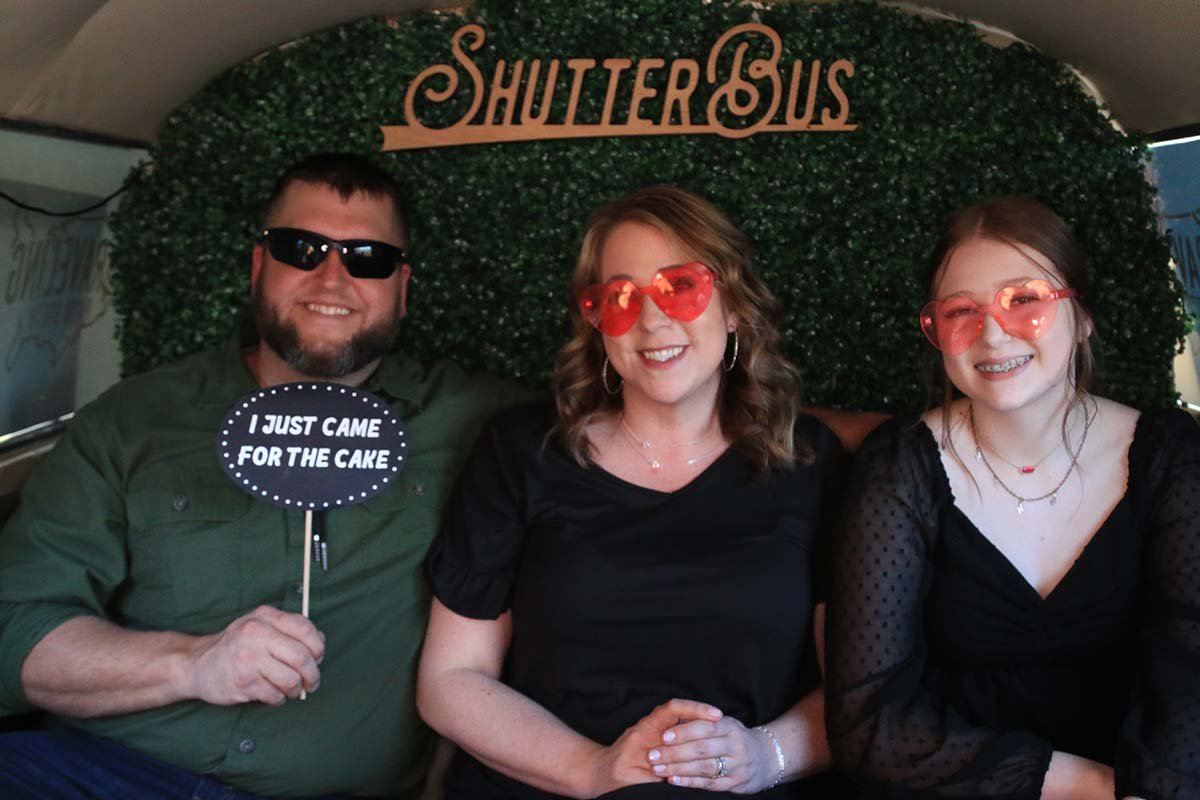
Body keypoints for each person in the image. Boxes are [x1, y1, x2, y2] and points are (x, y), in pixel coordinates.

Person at [0, 153, 524, 798]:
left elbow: (611, 430)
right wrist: (192, 664)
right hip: (111, 773)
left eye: (368, 258)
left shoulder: (477, 421)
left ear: (402, 287)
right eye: (300, 249)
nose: (331, 278)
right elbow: (14, 629)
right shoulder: (134, 421)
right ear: (258, 266)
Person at [417, 186, 852, 798]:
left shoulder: (809, 462)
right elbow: (451, 678)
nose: (651, 321)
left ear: (733, 306)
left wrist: (764, 754)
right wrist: (591, 769)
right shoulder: (520, 451)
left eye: (681, 287)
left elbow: (864, 689)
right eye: (620, 298)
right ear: (597, 324)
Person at [825, 196, 1200, 798]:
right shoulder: (899, 467)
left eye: (1024, 300)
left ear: (1083, 316)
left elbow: (1191, 682)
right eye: (961, 311)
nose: (993, 333)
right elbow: (870, 724)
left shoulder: (1171, 458)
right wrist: (1091, 788)